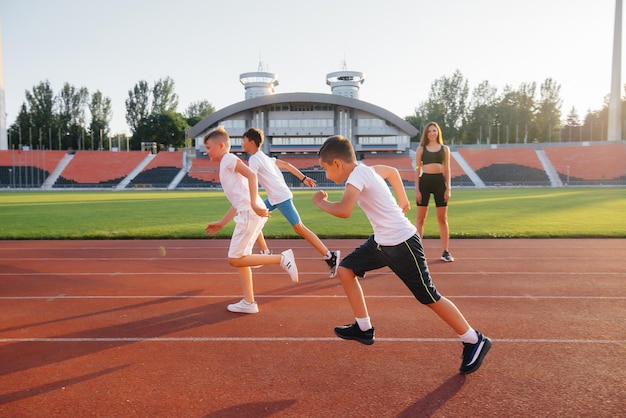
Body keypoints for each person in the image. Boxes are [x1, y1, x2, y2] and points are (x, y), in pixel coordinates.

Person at [312, 135, 491, 374]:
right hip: (382, 242)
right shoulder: (368, 170)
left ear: (337, 163)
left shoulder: (356, 175)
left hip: (401, 242)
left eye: (325, 168)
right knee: (346, 269)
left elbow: (344, 211)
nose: (326, 174)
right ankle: (364, 328)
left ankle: (474, 339)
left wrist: (319, 202)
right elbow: (393, 172)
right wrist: (403, 198)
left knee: (428, 296)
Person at [203, 126, 299, 314]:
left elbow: (252, 175)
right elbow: (240, 199)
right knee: (242, 259)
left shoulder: (229, 159)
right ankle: (249, 302)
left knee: (235, 259)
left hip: (250, 214)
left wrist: (255, 206)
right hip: (248, 213)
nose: (206, 152)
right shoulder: (226, 163)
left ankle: (281, 258)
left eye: (208, 147)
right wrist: (222, 222)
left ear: (221, 145)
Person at [242, 127, 341, 278]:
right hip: (274, 198)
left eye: (243, 140)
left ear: (251, 142)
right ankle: (265, 252)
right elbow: (287, 165)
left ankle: (330, 255)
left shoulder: (255, 159)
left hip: (281, 197)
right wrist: (303, 178)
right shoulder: (266, 158)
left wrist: (251, 199)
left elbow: (252, 179)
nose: (242, 143)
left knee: (299, 228)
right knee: (253, 216)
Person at [415, 121, 454, 262]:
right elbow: (417, 169)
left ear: (438, 132)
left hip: (439, 183)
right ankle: (418, 253)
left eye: (434, 131)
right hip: (424, 182)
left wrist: (448, 188)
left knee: (442, 219)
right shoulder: (420, 150)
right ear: (426, 134)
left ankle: (445, 251)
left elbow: (447, 169)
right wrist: (417, 189)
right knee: (420, 219)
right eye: (429, 131)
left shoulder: (444, 149)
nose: (432, 133)